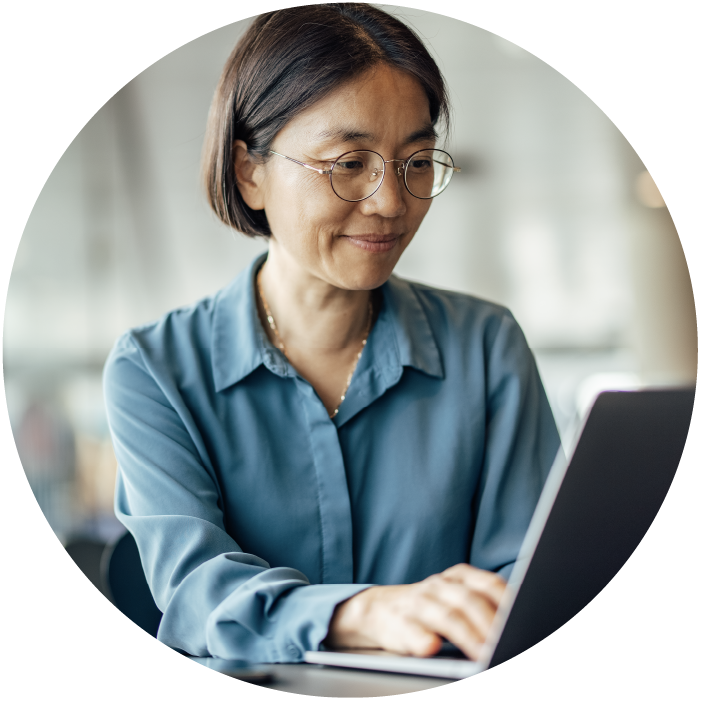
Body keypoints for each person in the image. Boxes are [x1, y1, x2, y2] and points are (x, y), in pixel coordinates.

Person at [103, 3, 560, 664]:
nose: (391, 202)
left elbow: (528, 584)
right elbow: (196, 594)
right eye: (349, 163)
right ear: (248, 172)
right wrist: (362, 610)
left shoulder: (485, 347)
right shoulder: (155, 368)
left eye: (416, 160)